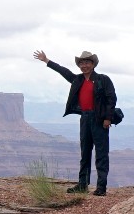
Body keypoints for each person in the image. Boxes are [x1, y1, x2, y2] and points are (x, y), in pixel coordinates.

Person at [33, 49, 118, 195]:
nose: (84, 65)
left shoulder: (103, 79)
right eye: (82, 63)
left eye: (87, 62)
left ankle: (101, 187)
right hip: (85, 118)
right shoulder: (77, 80)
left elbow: (112, 99)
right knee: (85, 152)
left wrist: (107, 118)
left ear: (93, 64)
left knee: (101, 154)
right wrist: (47, 61)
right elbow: (63, 71)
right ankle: (82, 185)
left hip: (99, 119)